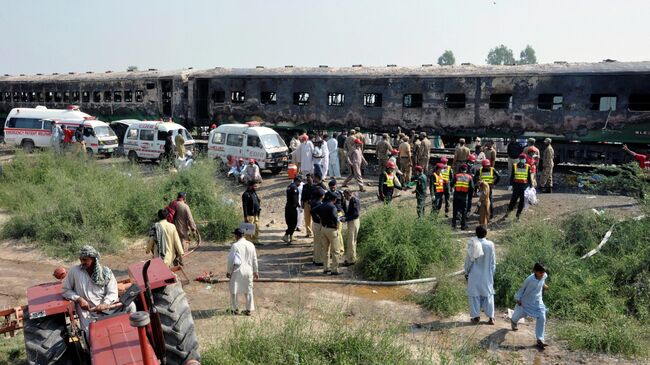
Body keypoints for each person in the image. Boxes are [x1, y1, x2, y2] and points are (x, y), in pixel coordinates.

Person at [62, 245, 120, 332]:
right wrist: (79, 299)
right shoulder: (74, 271)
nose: (82, 262)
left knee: (131, 307)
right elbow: (66, 290)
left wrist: (105, 303)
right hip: (86, 312)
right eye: (81, 259)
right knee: (91, 336)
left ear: (93, 259)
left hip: (106, 309)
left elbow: (113, 292)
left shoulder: (106, 272)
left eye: (85, 260)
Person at [511, 263, 550, 349]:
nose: (542, 274)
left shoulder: (544, 275)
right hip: (526, 302)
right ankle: (513, 322)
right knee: (517, 316)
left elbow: (542, 281)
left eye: (543, 272)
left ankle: (540, 339)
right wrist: (518, 299)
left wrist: (544, 286)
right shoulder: (529, 280)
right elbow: (522, 289)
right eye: (540, 273)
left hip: (537, 301)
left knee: (542, 317)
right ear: (535, 271)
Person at [464, 226, 496, 325]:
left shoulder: (472, 243)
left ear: (476, 233)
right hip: (486, 274)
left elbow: (469, 261)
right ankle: (491, 318)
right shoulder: (490, 244)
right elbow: (493, 262)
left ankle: (476, 317)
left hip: (474, 274)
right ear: (486, 234)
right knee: (488, 296)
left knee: (474, 296)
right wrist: (492, 274)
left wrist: (466, 272)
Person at [227, 228, 259, 316]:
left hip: (237, 271)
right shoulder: (251, 244)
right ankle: (248, 309)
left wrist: (229, 271)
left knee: (234, 290)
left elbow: (230, 260)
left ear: (237, 236)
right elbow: (254, 259)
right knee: (248, 290)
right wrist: (256, 271)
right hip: (248, 270)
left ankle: (235, 309)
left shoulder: (235, 246)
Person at [319, 192, 343, 275]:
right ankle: (334, 270)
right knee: (336, 251)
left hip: (323, 229)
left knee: (325, 250)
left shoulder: (322, 205)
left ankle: (325, 268)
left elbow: (313, 210)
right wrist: (339, 219)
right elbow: (334, 217)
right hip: (331, 230)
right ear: (335, 199)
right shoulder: (333, 206)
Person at [504, 154, 532, 220]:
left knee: (522, 202)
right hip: (516, 186)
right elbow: (512, 176)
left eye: (524, 159)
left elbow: (529, 178)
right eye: (522, 158)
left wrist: (531, 186)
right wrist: (510, 185)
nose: (523, 160)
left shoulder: (528, 166)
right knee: (513, 201)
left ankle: (518, 215)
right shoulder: (515, 166)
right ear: (519, 159)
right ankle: (507, 214)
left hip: (524, 187)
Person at [451, 164, 474, 230]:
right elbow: (472, 187)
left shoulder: (457, 176)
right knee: (464, 211)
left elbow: (451, 183)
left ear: (460, 169)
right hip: (464, 196)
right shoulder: (469, 177)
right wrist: (469, 195)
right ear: (466, 170)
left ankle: (454, 225)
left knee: (455, 210)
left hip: (456, 196)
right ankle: (463, 225)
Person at [341, 189, 360, 266]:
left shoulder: (355, 201)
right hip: (351, 221)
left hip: (354, 222)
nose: (345, 198)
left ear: (349, 194)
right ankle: (352, 258)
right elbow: (350, 213)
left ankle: (351, 260)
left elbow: (356, 214)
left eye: (346, 196)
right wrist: (345, 217)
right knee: (351, 241)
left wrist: (346, 218)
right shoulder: (351, 200)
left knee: (351, 241)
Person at [310, 187, 326, 265]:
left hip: (314, 224)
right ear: (322, 195)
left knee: (316, 242)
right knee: (320, 243)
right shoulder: (319, 203)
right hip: (318, 224)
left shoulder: (313, 201)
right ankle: (319, 260)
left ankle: (315, 258)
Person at [282, 176, 301, 243]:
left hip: (288, 207)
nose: (300, 184)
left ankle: (291, 237)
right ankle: (286, 235)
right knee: (293, 223)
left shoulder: (289, 186)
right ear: (297, 181)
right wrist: (299, 206)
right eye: (299, 182)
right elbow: (295, 199)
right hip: (292, 208)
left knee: (290, 223)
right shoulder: (294, 187)